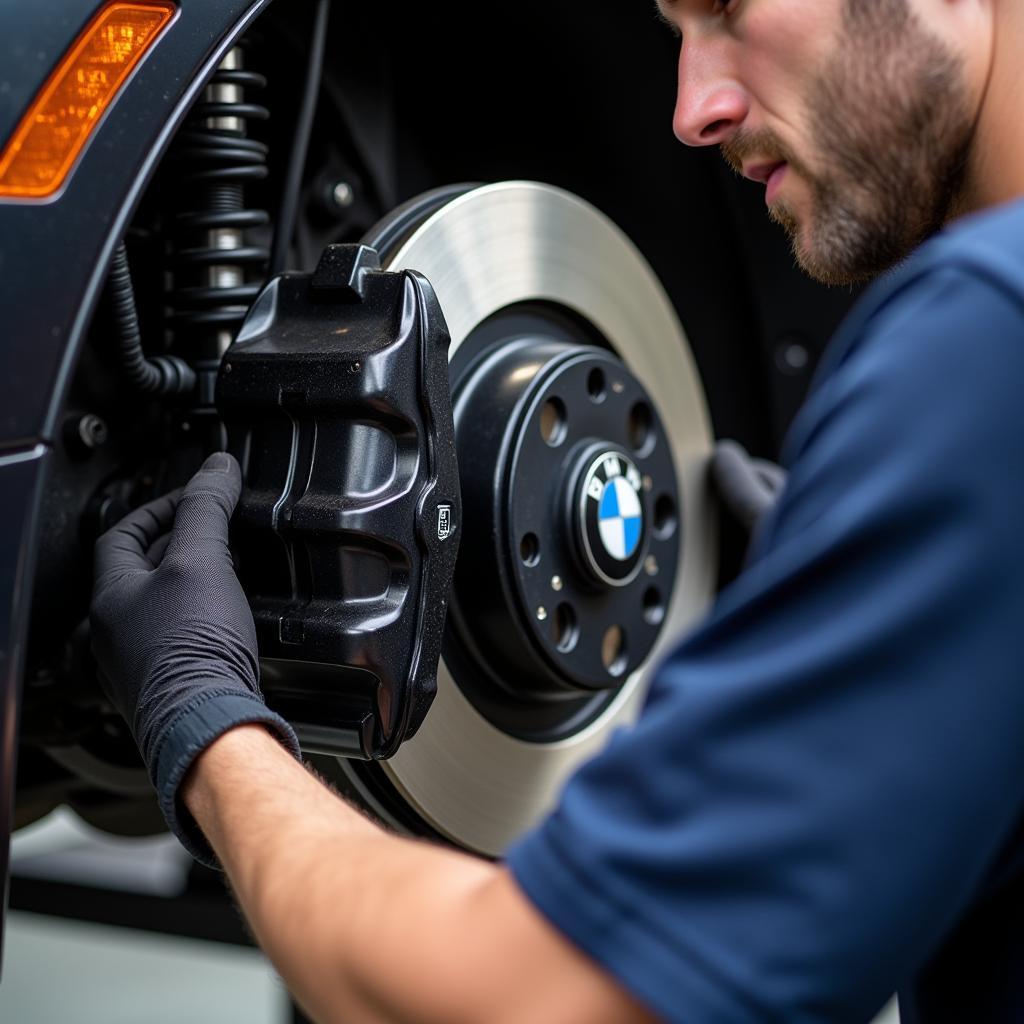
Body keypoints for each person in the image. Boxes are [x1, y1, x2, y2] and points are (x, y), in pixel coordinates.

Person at [89, 0, 1024, 1020]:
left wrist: (209, 725)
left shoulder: (986, 337)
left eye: (725, 6)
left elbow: (523, 1000)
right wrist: (867, 634)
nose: (691, 109)